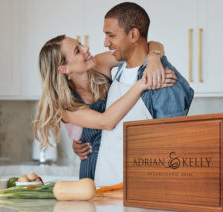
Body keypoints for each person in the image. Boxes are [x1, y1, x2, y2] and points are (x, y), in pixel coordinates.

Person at [72, 2, 194, 186]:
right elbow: (111, 125)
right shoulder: (119, 69)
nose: (106, 42)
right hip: (105, 188)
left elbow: (172, 151)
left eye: (111, 35)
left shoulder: (163, 80)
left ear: (133, 35)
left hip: (139, 194)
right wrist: (82, 140)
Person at [33, 35, 176, 179]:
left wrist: (153, 59)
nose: (86, 48)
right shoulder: (64, 105)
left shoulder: (99, 63)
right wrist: (143, 83)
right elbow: (106, 122)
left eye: (81, 44)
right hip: (95, 169)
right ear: (64, 69)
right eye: (77, 50)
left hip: (126, 158)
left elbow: (144, 47)